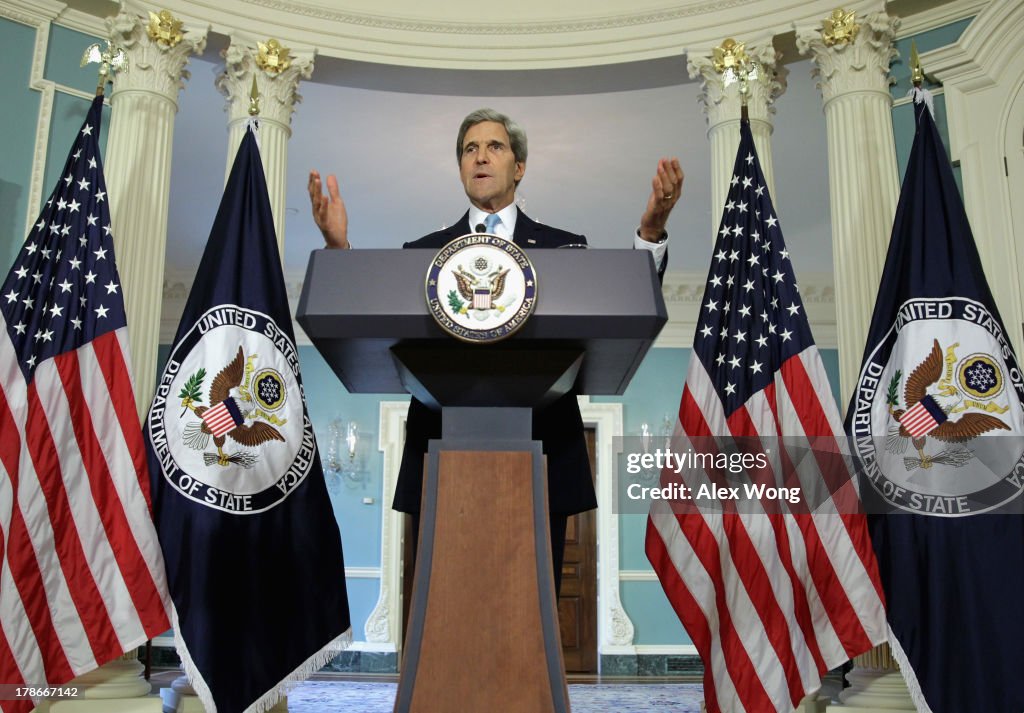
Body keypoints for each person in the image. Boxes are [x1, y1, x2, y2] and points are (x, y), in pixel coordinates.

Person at [309, 108, 683, 594]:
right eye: (469, 149)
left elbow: (626, 301)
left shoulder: (565, 249)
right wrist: (338, 251)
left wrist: (650, 233)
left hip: (544, 454)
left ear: (519, 167)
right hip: (439, 455)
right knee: (444, 603)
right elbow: (370, 313)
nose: (480, 157)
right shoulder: (421, 252)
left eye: (495, 147)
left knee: (531, 606)